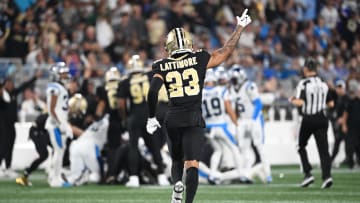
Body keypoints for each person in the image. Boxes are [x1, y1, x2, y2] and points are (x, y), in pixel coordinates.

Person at [146, 9, 252, 203]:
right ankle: (188, 201)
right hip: (194, 117)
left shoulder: (161, 65)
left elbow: (153, 91)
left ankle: (177, 183)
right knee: (192, 163)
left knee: (176, 159)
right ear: (188, 42)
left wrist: (152, 117)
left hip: (173, 117)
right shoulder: (200, 59)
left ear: (169, 45)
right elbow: (226, 51)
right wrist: (239, 27)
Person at [118, 55, 169, 187]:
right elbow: (156, 93)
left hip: (134, 117)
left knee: (133, 147)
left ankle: (134, 177)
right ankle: (161, 176)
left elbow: (121, 104)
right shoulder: (150, 76)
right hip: (149, 115)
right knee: (155, 147)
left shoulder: (125, 81)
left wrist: (125, 118)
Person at [289, 57, 334, 189]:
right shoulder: (323, 83)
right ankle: (327, 177)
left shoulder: (303, 84)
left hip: (308, 119)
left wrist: (291, 99)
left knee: (301, 146)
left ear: (306, 69)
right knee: (324, 150)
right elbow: (331, 103)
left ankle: (308, 174)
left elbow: (300, 102)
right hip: (322, 118)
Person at [224, 67, 272, 183]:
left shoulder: (249, 86)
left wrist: (253, 119)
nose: (233, 82)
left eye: (234, 80)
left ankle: (267, 174)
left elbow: (258, 103)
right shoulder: (233, 90)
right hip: (243, 121)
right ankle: (245, 174)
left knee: (259, 146)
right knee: (243, 148)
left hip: (254, 120)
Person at [0, 71, 41, 178]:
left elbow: (24, 86)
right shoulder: (2, 95)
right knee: (3, 146)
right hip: (2, 125)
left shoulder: (13, 93)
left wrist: (35, 77)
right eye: (8, 83)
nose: (11, 85)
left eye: (11, 83)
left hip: (12, 125)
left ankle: (8, 168)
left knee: (10, 145)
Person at [45, 62, 73, 187]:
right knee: (59, 151)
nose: (66, 75)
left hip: (60, 122)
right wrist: (59, 123)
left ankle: (54, 176)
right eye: (63, 73)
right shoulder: (54, 88)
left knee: (60, 151)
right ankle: (56, 179)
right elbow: (51, 109)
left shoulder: (60, 87)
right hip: (55, 124)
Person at [95, 67, 124, 184]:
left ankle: (108, 174)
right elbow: (123, 105)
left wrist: (98, 120)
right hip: (118, 121)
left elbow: (99, 109)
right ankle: (113, 174)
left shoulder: (102, 89)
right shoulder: (122, 85)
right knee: (116, 149)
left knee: (110, 149)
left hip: (107, 123)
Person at [15, 113, 51, 186]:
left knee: (58, 150)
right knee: (44, 154)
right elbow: (37, 124)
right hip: (37, 131)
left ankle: (54, 171)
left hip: (42, 131)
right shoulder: (53, 113)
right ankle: (25, 175)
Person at [341, 83, 360, 169]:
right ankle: (351, 164)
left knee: (358, 146)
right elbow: (345, 114)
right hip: (351, 127)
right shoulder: (351, 101)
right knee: (350, 146)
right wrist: (344, 125)